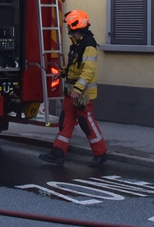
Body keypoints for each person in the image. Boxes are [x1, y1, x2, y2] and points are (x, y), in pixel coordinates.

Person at [39, 9, 109, 167]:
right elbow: (73, 66)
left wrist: (77, 89)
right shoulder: (77, 44)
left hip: (82, 94)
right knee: (66, 122)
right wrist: (62, 73)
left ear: (74, 25)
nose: (68, 28)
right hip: (72, 93)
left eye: (69, 25)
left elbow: (88, 71)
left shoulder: (88, 44)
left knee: (86, 122)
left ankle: (101, 153)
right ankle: (57, 154)